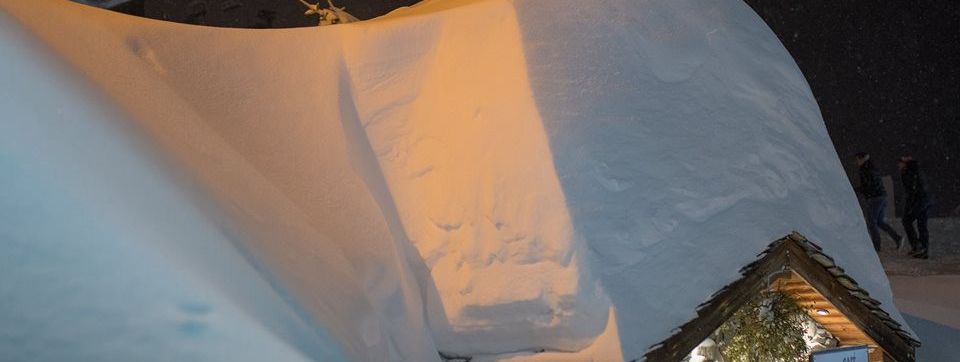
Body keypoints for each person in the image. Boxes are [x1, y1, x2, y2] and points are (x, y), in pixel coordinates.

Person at [854, 152, 904, 252]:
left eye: (857, 159)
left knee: (871, 222)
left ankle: (876, 247)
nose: (856, 162)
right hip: (881, 196)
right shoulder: (871, 166)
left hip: (875, 198)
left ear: (861, 159)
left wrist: (858, 190)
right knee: (879, 222)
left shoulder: (865, 169)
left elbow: (869, 185)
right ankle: (897, 238)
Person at [898, 155, 932, 259]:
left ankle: (918, 246)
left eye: (900, 162)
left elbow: (911, 191)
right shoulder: (914, 169)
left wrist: (909, 207)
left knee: (907, 221)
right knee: (921, 224)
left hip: (920, 200)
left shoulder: (910, 171)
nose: (898, 165)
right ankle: (923, 249)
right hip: (924, 199)